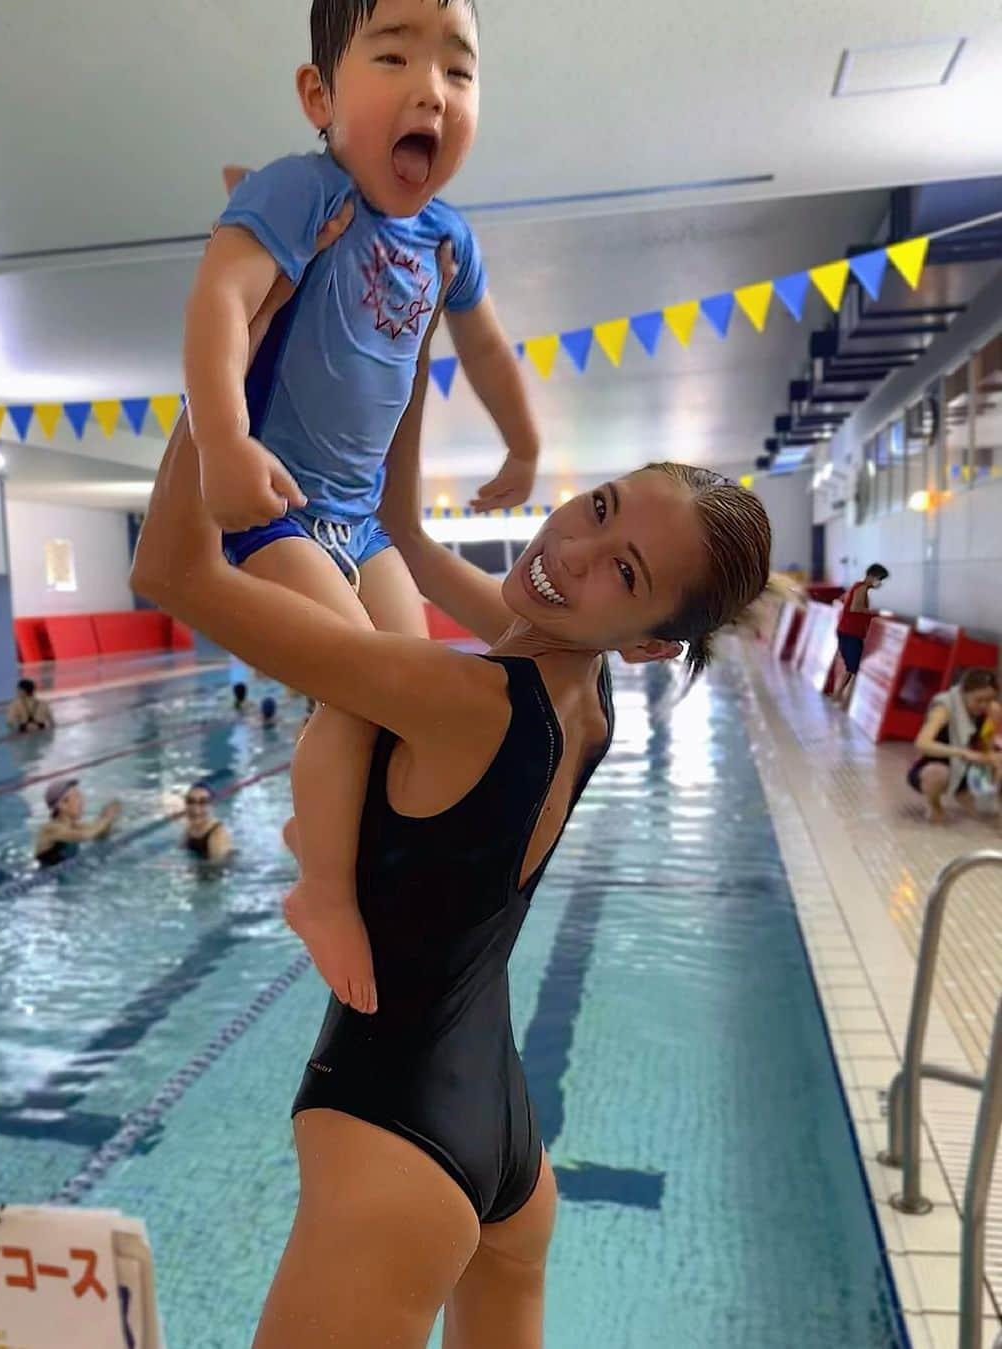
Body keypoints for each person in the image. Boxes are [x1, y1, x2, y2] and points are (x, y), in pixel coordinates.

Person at [131, 263, 773, 1349]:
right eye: (599, 505)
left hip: (395, 1137)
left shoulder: (465, 697)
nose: (568, 549)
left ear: (657, 638)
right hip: (505, 1149)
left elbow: (171, 570)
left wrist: (230, 356)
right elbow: (409, 538)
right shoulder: (589, 695)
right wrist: (412, 345)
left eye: (622, 568)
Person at [186, 0, 540, 1016]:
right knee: (360, 684)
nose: (433, 86)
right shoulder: (298, 191)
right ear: (320, 97)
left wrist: (524, 443)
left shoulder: (444, 238)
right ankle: (323, 891)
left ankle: (325, 826)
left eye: (460, 70)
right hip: (277, 500)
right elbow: (217, 301)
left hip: (362, 520)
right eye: (394, 55)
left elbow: (486, 348)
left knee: (418, 681)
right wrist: (223, 443)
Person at [909, 668, 1002, 823]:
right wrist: (963, 753)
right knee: (936, 773)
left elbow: (987, 745)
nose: (984, 705)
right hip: (939, 762)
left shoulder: (993, 711)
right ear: (963, 693)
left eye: (989, 699)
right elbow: (922, 743)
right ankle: (934, 805)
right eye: (979, 700)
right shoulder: (944, 708)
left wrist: (992, 760)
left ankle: (968, 795)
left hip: (972, 764)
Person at [833, 563, 889, 705]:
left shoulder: (855, 586)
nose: (880, 583)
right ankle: (845, 700)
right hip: (851, 633)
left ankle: (837, 696)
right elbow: (856, 608)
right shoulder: (862, 588)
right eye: (879, 579)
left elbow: (842, 601)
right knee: (855, 670)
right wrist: (878, 613)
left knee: (850, 668)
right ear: (871, 576)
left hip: (845, 631)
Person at [34, 779, 122, 868]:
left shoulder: (73, 827)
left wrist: (107, 818)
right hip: (42, 880)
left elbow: (100, 836)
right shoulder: (51, 828)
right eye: (77, 797)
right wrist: (106, 818)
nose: (82, 801)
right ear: (62, 804)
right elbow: (85, 835)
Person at [182, 781, 234, 862]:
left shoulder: (217, 834)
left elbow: (218, 870)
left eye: (203, 802)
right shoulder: (190, 828)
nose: (196, 809)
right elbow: (181, 850)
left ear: (212, 805)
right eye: (190, 801)